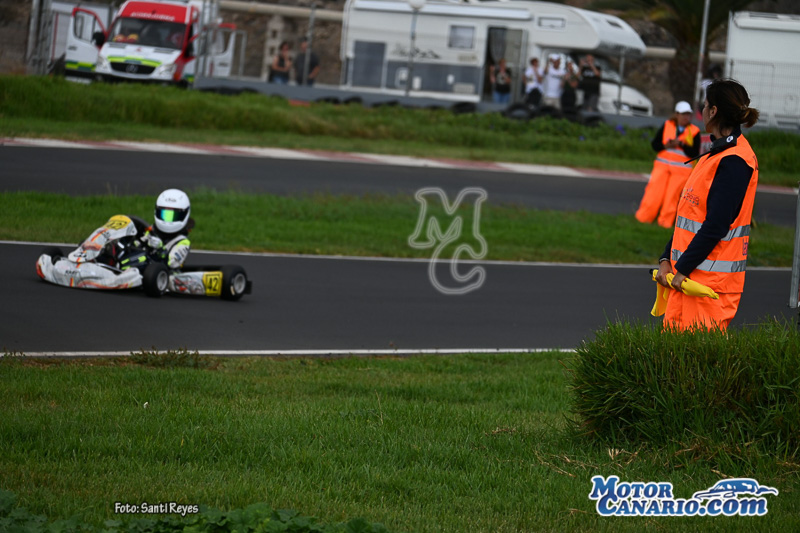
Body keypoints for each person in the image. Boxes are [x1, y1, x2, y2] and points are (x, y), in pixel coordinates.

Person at [655, 79, 760, 331]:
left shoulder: (735, 161)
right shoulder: (715, 153)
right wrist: (666, 258)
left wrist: (682, 268)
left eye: (704, 105)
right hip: (686, 279)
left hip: (707, 286)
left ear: (713, 111)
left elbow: (716, 225)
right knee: (674, 352)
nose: (701, 111)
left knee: (698, 355)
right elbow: (688, 218)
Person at [635, 101, 702, 228]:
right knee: (653, 193)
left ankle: (665, 223)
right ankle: (644, 218)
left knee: (671, 197)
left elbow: (694, 153)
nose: (686, 117)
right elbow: (655, 145)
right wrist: (666, 145)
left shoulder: (694, 131)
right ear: (677, 114)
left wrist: (681, 144)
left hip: (681, 171)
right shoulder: (667, 125)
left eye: (688, 114)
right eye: (683, 114)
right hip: (662, 167)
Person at [138, 189, 194, 270]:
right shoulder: (151, 230)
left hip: (162, 274)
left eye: (173, 216)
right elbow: (137, 244)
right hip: (138, 265)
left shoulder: (182, 242)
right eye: (165, 215)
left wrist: (160, 250)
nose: (167, 221)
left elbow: (171, 264)